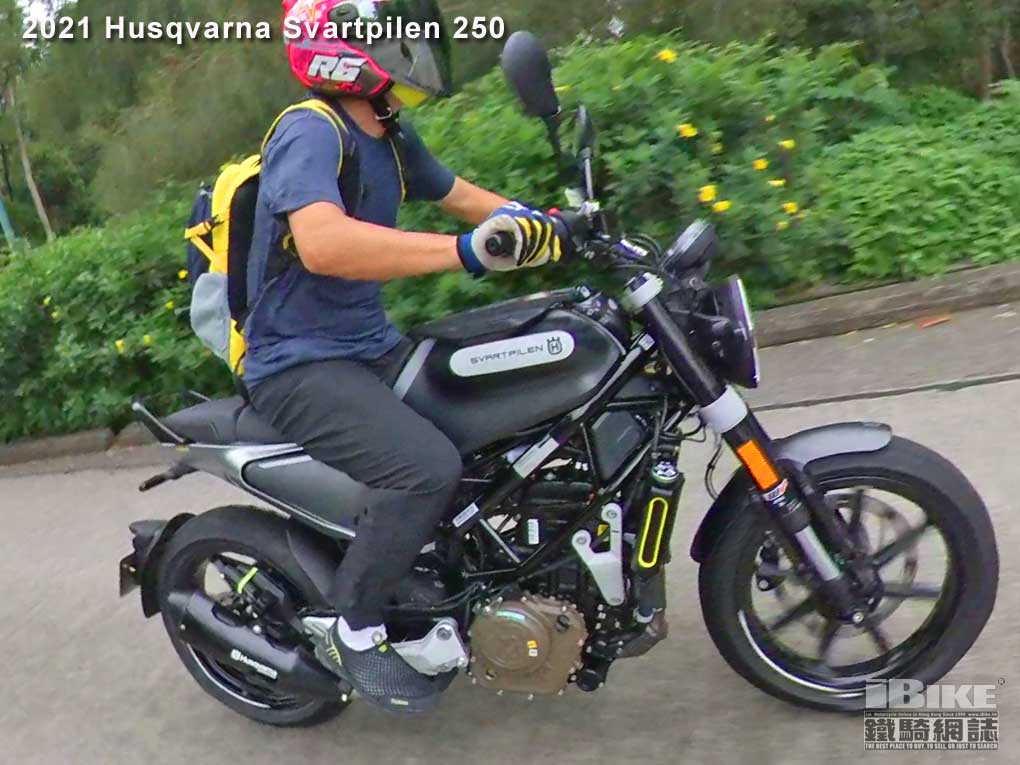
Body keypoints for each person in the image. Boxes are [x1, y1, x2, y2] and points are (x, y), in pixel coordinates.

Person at [245, 0, 568, 713]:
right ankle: (352, 626)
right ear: (340, 44)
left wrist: (552, 227)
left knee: (492, 417)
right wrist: (465, 253)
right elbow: (323, 242)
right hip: (297, 364)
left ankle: (449, 584)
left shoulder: (388, 132)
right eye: (389, 30)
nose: (409, 41)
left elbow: (464, 197)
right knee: (425, 468)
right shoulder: (311, 130)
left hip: (369, 347)